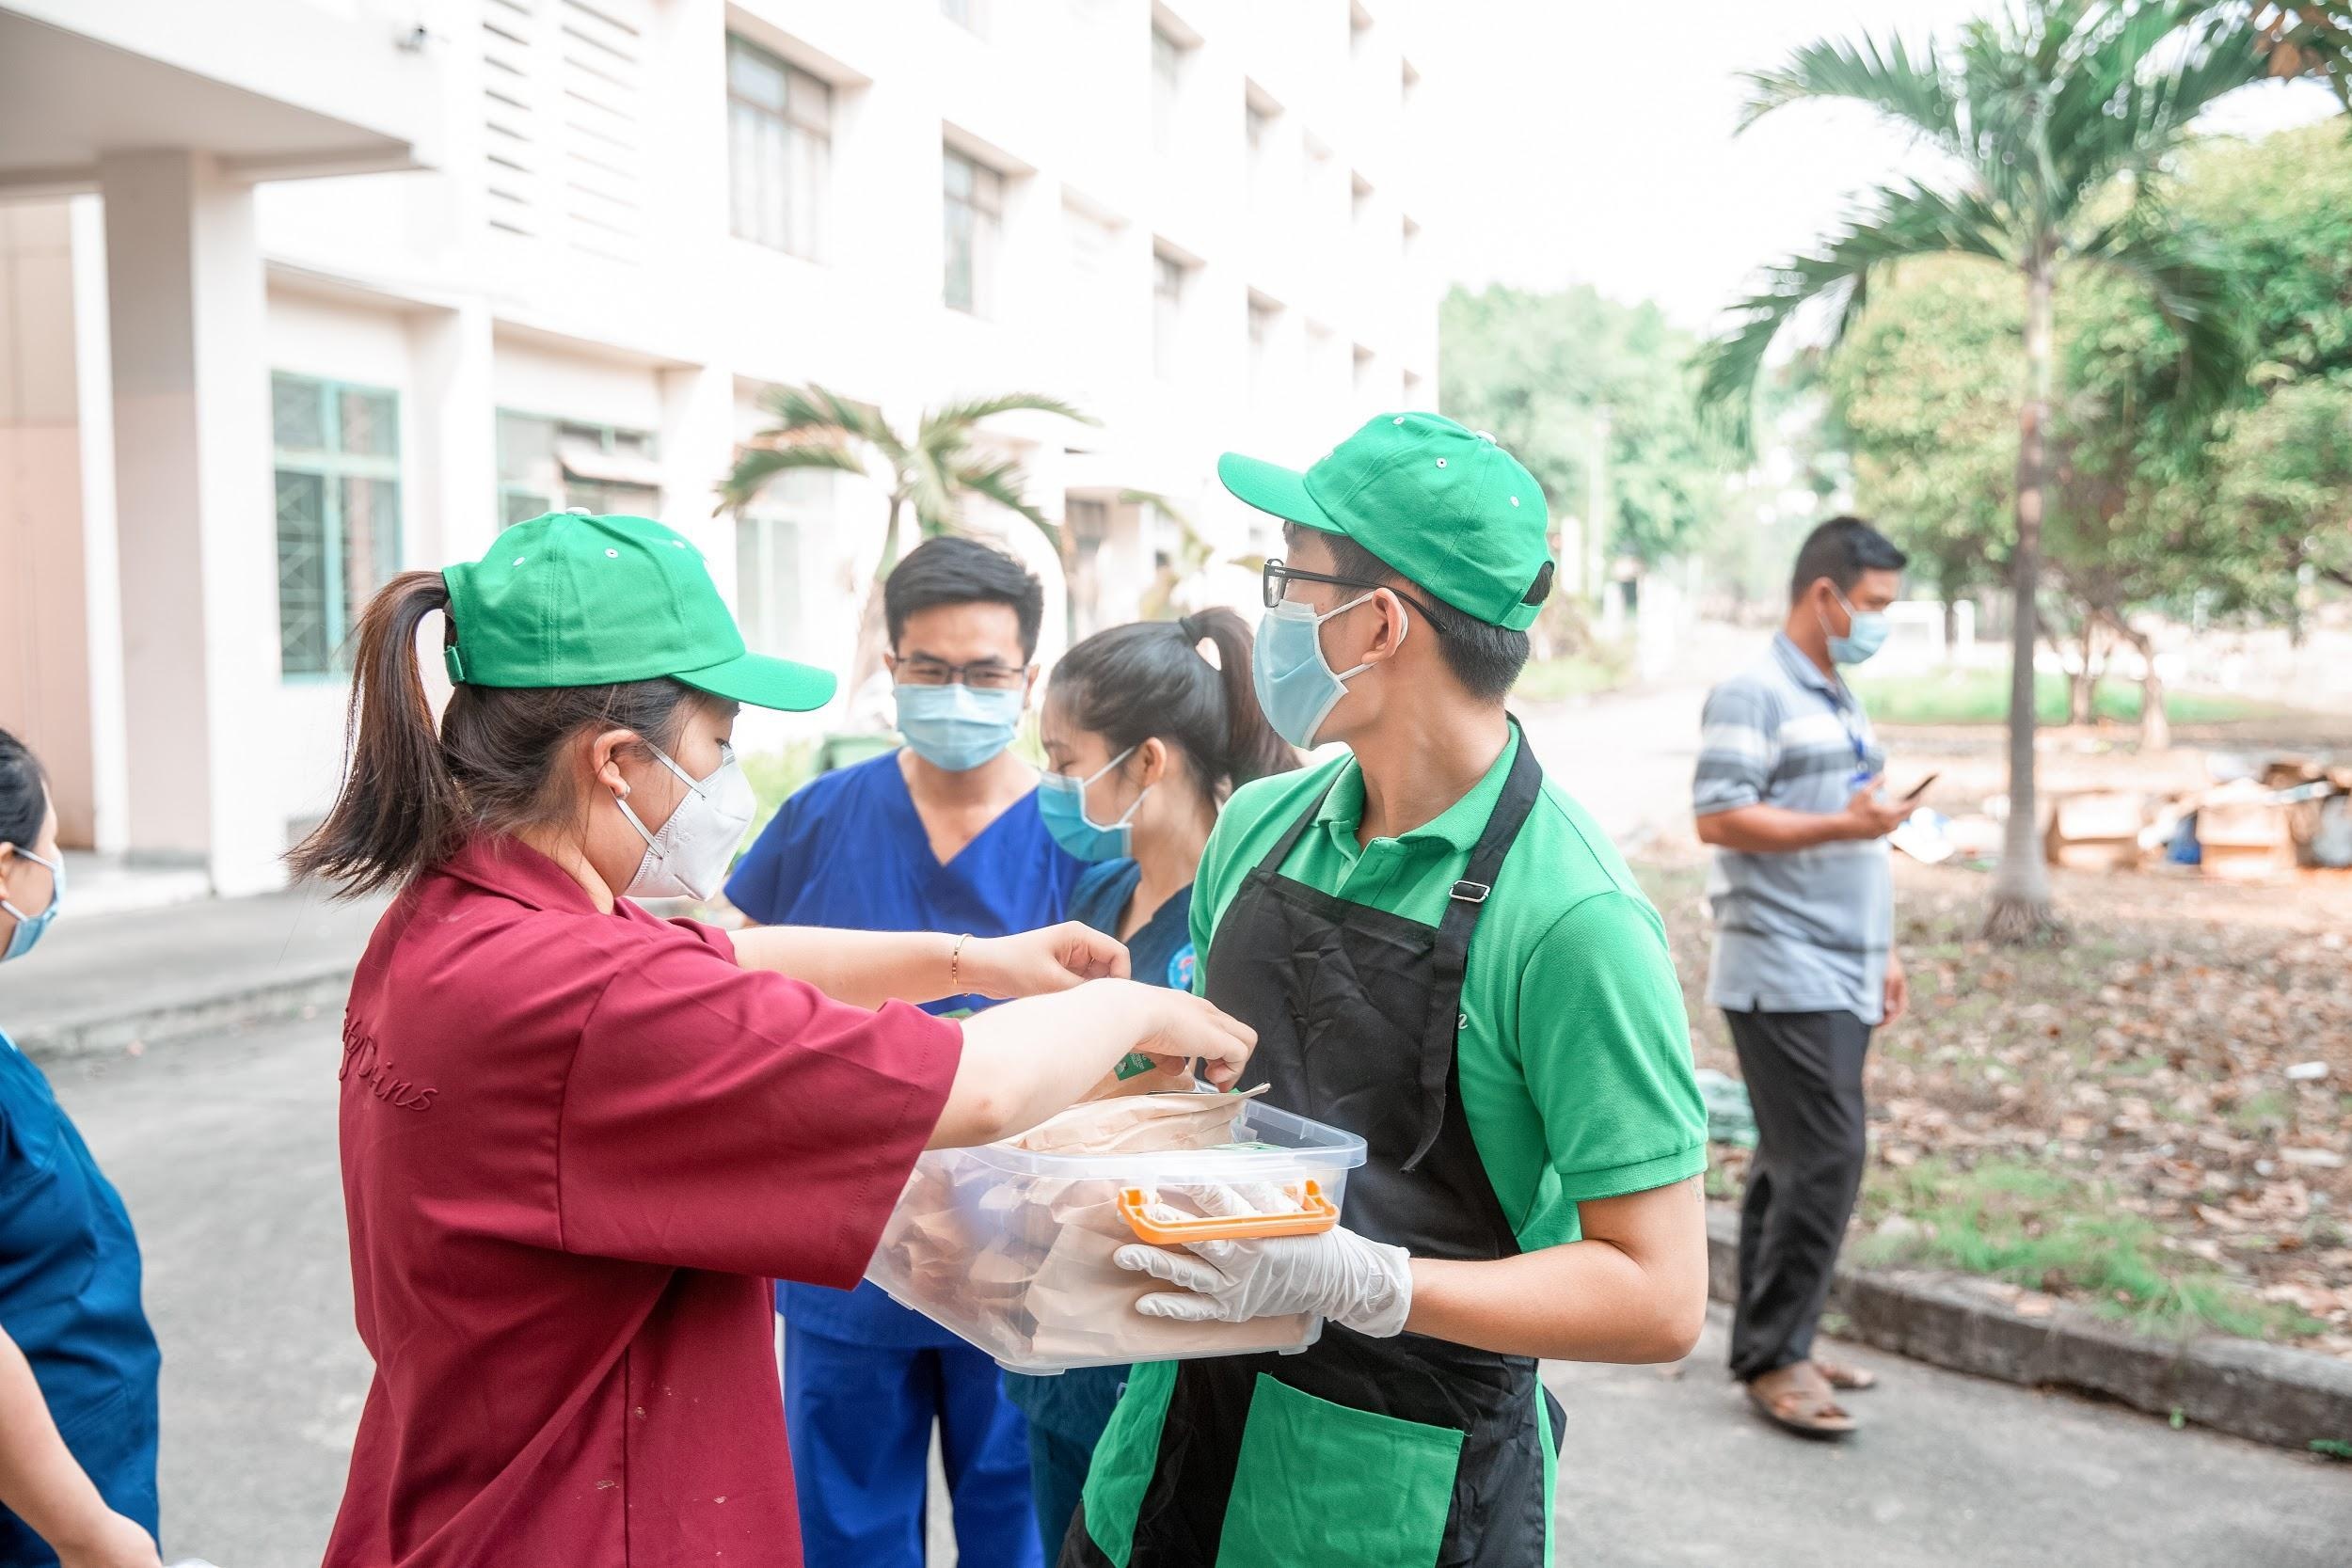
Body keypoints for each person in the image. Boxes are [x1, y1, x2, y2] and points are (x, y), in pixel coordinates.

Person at [294, 513, 1256, 1568]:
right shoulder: (586, 994)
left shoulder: (464, 920)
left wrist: (970, 960)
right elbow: (972, 1089)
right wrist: (1134, 1008)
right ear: (618, 759)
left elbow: (732, 957)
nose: (726, 782)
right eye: (717, 745)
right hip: (573, 1523)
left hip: (462, 1489)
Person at [1062, 414, 1710, 1568]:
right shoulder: (1261, 827)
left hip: (1386, 1500)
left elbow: (1657, 1293)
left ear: (1375, 621)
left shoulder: (1573, 919)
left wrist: (1366, 1278)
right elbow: (1206, 1087)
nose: (1268, 621)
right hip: (1167, 1452)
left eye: (1286, 580)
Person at [723, 534, 1083, 1568]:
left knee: (1021, 1530)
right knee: (842, 1531)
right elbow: (726, 980)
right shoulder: (821, 818)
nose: (955, 692)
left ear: (1027, 679)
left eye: (982, 673)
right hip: (844, 1248)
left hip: (1025, 1253)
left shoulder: (1079, 838)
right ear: (892, 668)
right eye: (929, 669)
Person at [1009, 608, 1296, 1553]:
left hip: (1159, 1303)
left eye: (1064, 759)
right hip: (1060, 1287)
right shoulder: (1098, 896)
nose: (1051, 784)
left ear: (1146, 763)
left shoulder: (1241, 908)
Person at [1690, 515, 1913, 1439]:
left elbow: (1854, 828)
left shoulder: (1836, 692)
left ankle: (1777, 1338)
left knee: (1794, 1161)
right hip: (1782, 965)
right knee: (1826, 1156)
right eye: (1871, 605)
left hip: (1843, 963)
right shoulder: (1753, 690)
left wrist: (1884, 948)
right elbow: (1720, 815)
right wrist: (1846, 828)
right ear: (1822, 594)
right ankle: (1775, 1359)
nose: (1879, 622)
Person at [0, 730, 163, 1568]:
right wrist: (90, 1536)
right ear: (3, 868)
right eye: (51, 845)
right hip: (39, 1514)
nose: (54, 869)